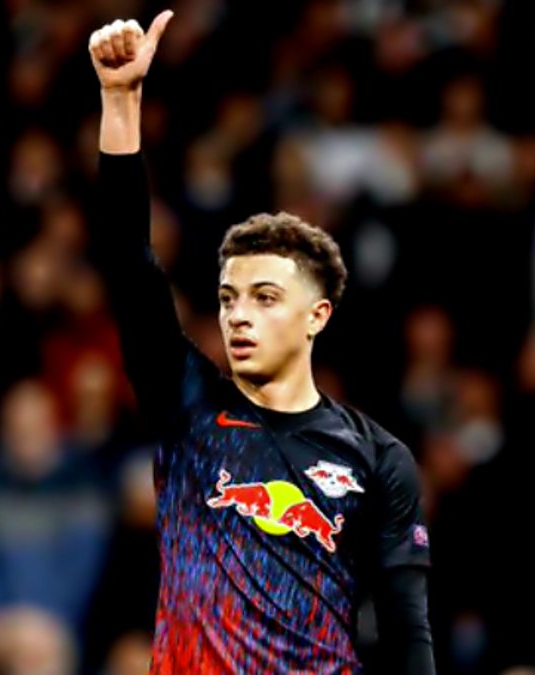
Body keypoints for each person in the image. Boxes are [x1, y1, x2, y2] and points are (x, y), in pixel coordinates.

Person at [86, 11, 435, 674]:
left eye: (265, 297)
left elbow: (406, 630)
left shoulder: (379, 458)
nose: (238, 316)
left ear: (316, 316)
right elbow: (128, 260)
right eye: (228, 298)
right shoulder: (187, 407)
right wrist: (121, 101)